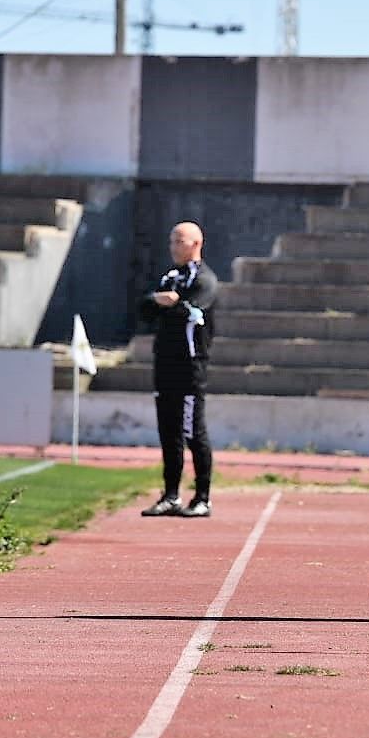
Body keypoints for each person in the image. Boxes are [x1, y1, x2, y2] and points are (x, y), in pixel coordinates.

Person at [138, 222, 219, 519]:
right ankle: (171, 495)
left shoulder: (205, 279)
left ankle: (202, 497)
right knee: (168, 431)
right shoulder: (170, 276)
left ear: (196, 243)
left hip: (190, 366)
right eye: (171, 241)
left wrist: (170, 304)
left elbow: (193, 311)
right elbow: (145, 307)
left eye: (179, 241)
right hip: (165, 363)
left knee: (192, 432)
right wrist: (159, 301)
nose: (173, 247)